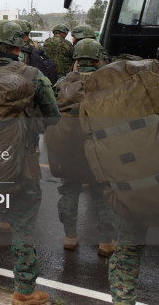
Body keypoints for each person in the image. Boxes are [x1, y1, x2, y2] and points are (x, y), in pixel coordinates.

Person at [0, 19, 60, 303]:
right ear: (18, 46)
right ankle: (24, 291)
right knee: (22, 227)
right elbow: (53, 117)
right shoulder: (33, 76)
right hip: (21, 164)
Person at [51, 38, 116, 256]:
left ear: (76, 60)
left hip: (69, 148)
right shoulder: (110, 81)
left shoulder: (62, 82)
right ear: (98, 59)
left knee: (69, 191)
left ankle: (70, 237)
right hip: (99, 148)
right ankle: (106, 241)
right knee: (102, 195)